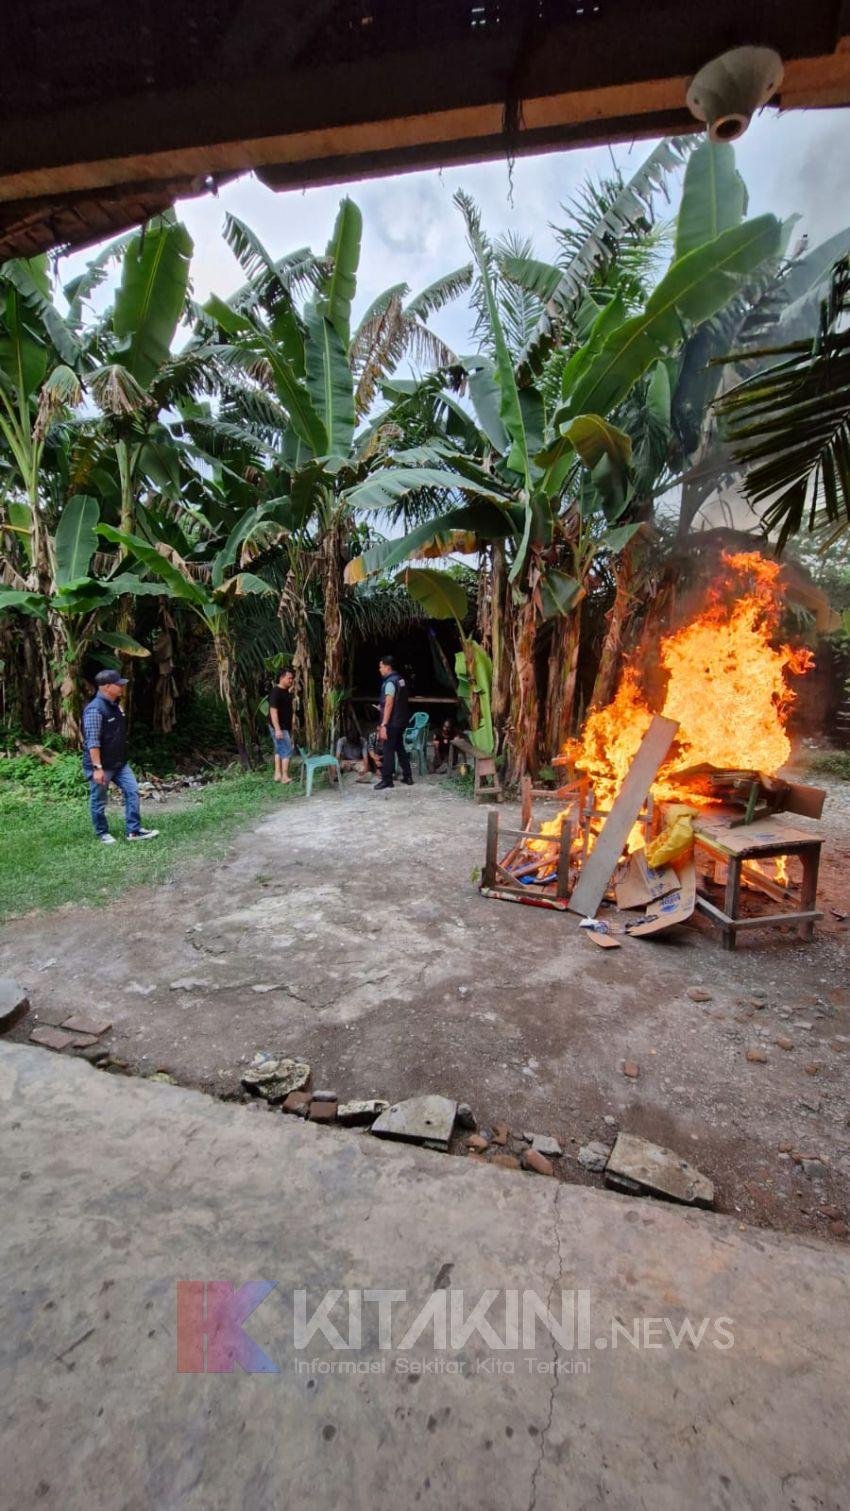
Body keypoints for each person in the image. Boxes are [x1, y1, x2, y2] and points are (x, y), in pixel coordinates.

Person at [82, 669, 159, 844]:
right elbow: (92, 742)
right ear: (107, 687)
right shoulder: (94, 710)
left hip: (119, 764)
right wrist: (97, 768)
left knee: (132, 791)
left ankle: (134, 831)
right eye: (119, 684)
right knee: (99, 800)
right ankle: (102, 833)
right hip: (101, 765)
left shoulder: (116, 705)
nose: (122, 686)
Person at [374, 654, 413, 791]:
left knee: (388, 750)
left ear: (387, 667)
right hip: (401, 720)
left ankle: (387, 780)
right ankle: (408, 776)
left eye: (381, 667)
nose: (380, 669)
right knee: (399, 748)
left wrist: (384, 724)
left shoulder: (390, 682)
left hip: (392, 722)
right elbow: (398, 701)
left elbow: (390, 703)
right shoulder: (401, 680)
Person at [268, 668, 295, 783]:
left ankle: (277, 775)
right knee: (287, 750)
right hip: (278, 726)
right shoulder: (275, 692)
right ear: (281, 678)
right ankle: (284, 776)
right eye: (289, 678)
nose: (291, 680)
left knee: (279, 749)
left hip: (285, 726)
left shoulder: (287, 692)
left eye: (292, 678)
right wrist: (277, 729)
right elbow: (273, 712)